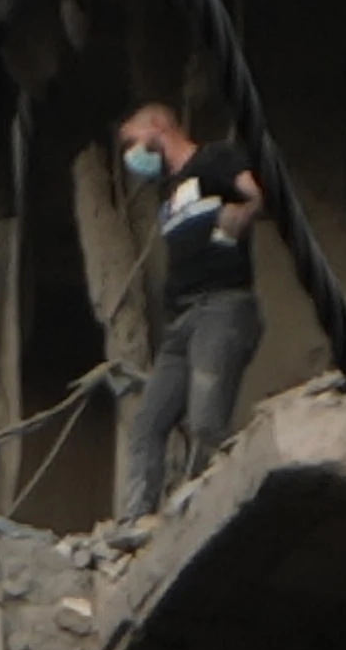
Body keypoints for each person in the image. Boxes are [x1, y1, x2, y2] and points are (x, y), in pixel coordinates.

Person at [113, 102, 265, 520]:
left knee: (205, 419)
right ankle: (136, 521)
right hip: (182, 321)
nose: (132, 155)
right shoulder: (171, 190)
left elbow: (257, 194)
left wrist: (241, 213)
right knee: (148, 424)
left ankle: (206, 512)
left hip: (222, 307)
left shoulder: (215, 159)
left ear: (158, 127)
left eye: (133, 143)